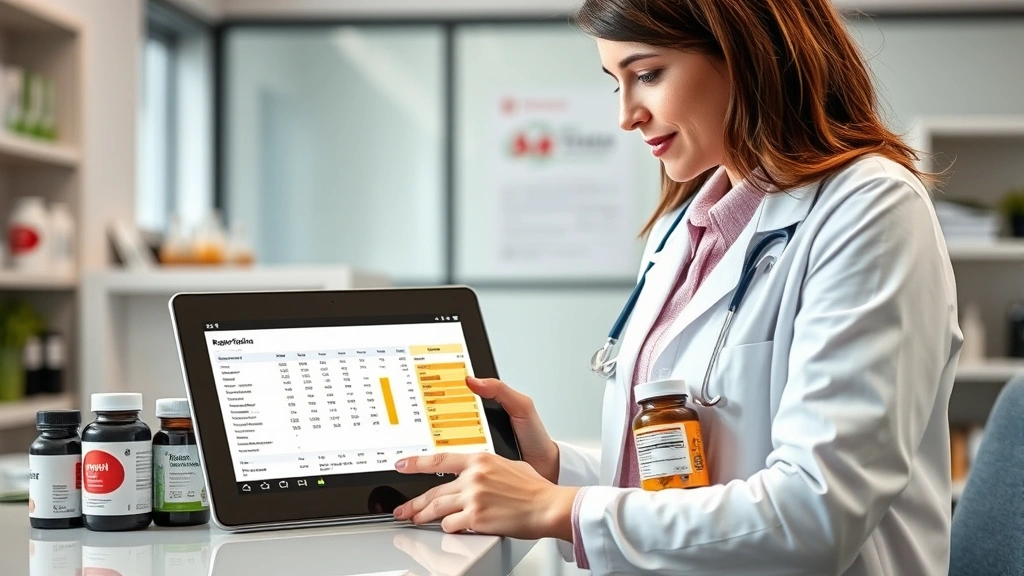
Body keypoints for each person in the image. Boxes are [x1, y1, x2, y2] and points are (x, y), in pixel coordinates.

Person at [392, 0, 962, 574]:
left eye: (647, 75)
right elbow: (685, 480)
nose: (626, 115)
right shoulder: (680, 229)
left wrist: (559, 510)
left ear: (746, 53)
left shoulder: (869, 208)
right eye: (616, 83)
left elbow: (815, 515)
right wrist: (555, 472)